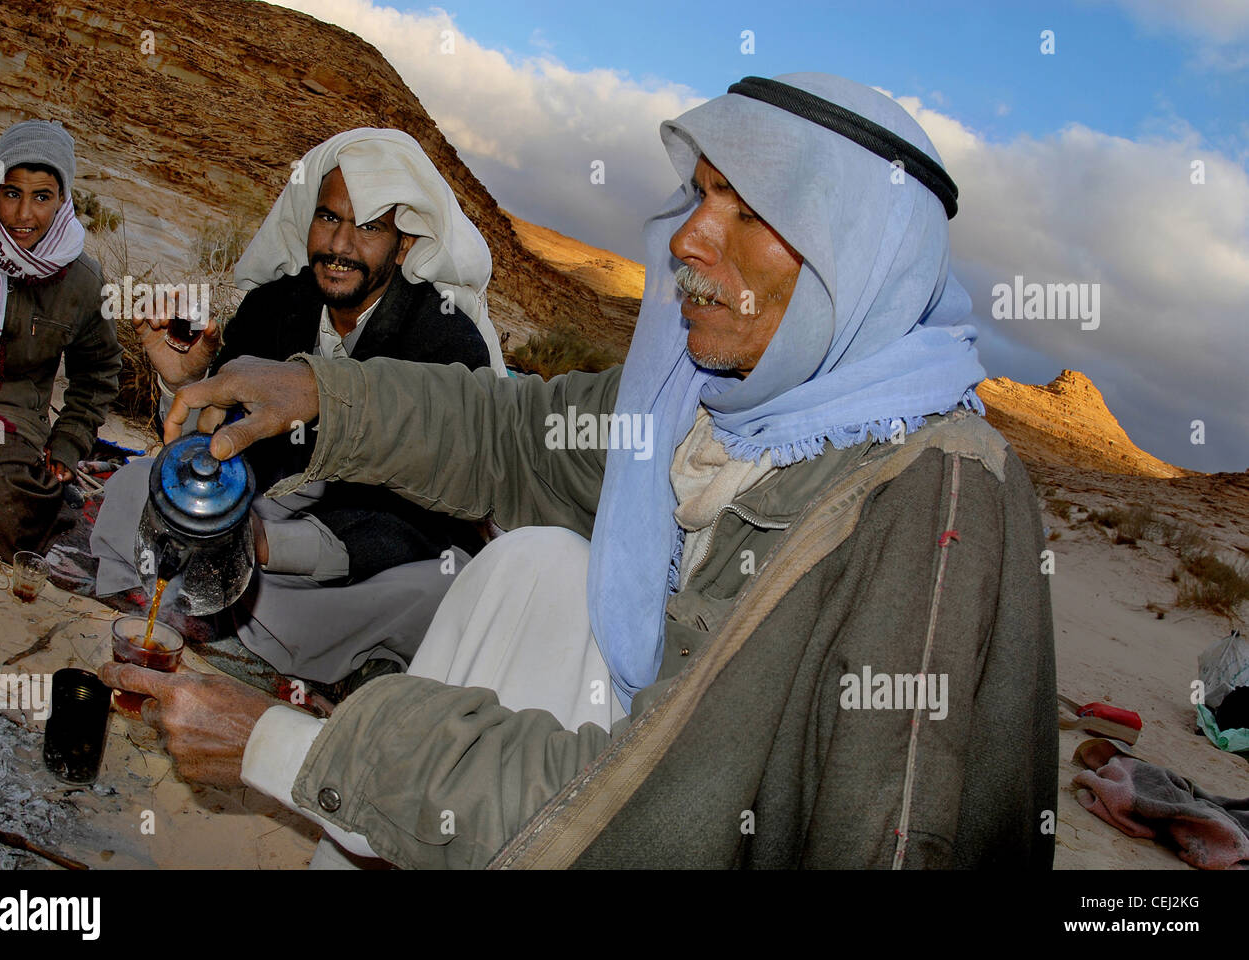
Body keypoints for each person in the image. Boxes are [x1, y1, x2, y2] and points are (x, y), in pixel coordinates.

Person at [101, 74, 1058, 869]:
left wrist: (285, 747)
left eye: (749, 208)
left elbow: (688, 810)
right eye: (702, 196)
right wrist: (316, 393)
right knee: (539, 570)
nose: (688, 238)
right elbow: (516, 435)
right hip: (645, 793)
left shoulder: (932, 495)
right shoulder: (696, 402)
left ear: (861, 260)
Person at [91, 129, 500, 688]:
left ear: (404, 246)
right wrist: (186, 382)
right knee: (131, 486)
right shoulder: (275, 304)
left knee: (441, 591)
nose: (340, 246)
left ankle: (246, 627)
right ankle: (253, 635)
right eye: (329, 219)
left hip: (360, 551)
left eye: (370, 228)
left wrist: (274, 545)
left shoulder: (446, 339)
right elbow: (214, 439)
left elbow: (442, 512)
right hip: (262, 508)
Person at [0, 119, 121, 559]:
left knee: (4, 502)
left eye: (42, 196)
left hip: (6, 433)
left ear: (63, 199)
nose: (24, 214)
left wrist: (68, 442)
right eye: (12, 193)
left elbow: (99, 372)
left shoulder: (82, 281)